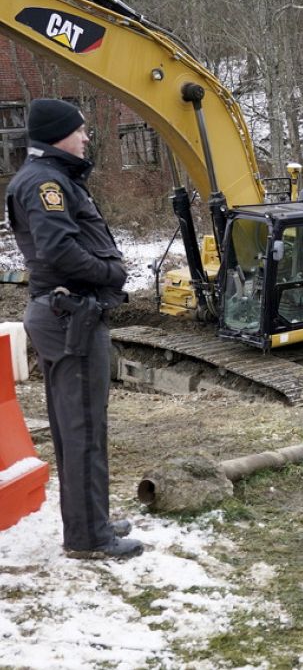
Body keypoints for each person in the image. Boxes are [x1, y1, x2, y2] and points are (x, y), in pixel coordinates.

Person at [5, 98, 142, 559]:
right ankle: (89, 538)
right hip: (71, 316)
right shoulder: (46, 181)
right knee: (82, 429)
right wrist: (111, 273)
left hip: (67, 314)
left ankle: (91, 521)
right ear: (59, 133)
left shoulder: (54, 177)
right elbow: (58, 251)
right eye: (80, 130)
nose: (87, 138)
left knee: (80, 428)